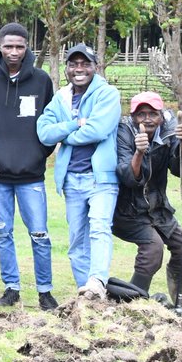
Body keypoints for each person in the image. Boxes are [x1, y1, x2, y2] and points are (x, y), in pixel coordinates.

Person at [0, 23, 58, 311]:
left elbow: (50, 123)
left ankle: (45, 291)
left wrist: (40, 153)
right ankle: (11, 287)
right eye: (8, 46)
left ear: (27, 47)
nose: (13, 52)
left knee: (39, 233)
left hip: (31, 176)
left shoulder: (41, 81)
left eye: (19, 46)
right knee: (2, 233)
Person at [37, 43, 122, 300]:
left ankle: (97, 281)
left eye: (85, 63)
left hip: (101, 179)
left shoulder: (107, 94)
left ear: (95, 66)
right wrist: (75, 124)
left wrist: (66, 136)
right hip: (71, 180)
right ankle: (86, 293)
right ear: (67, 69)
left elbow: (98, 130)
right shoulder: (61, 97)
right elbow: (43, 132)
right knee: (76, 240)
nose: (79, 69)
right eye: (73, 64)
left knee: (99, 228)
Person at [114, 91, 182, 308]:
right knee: (153, 249)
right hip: (128, 211)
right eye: (141, 114)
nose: (147, 119)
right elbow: (128, 178)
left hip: (158, 210)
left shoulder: (169, 132)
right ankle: (133, 305)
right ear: (133, 117)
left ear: (161, 115)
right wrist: (139, 152)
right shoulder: (123, 132)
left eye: (152, 113)